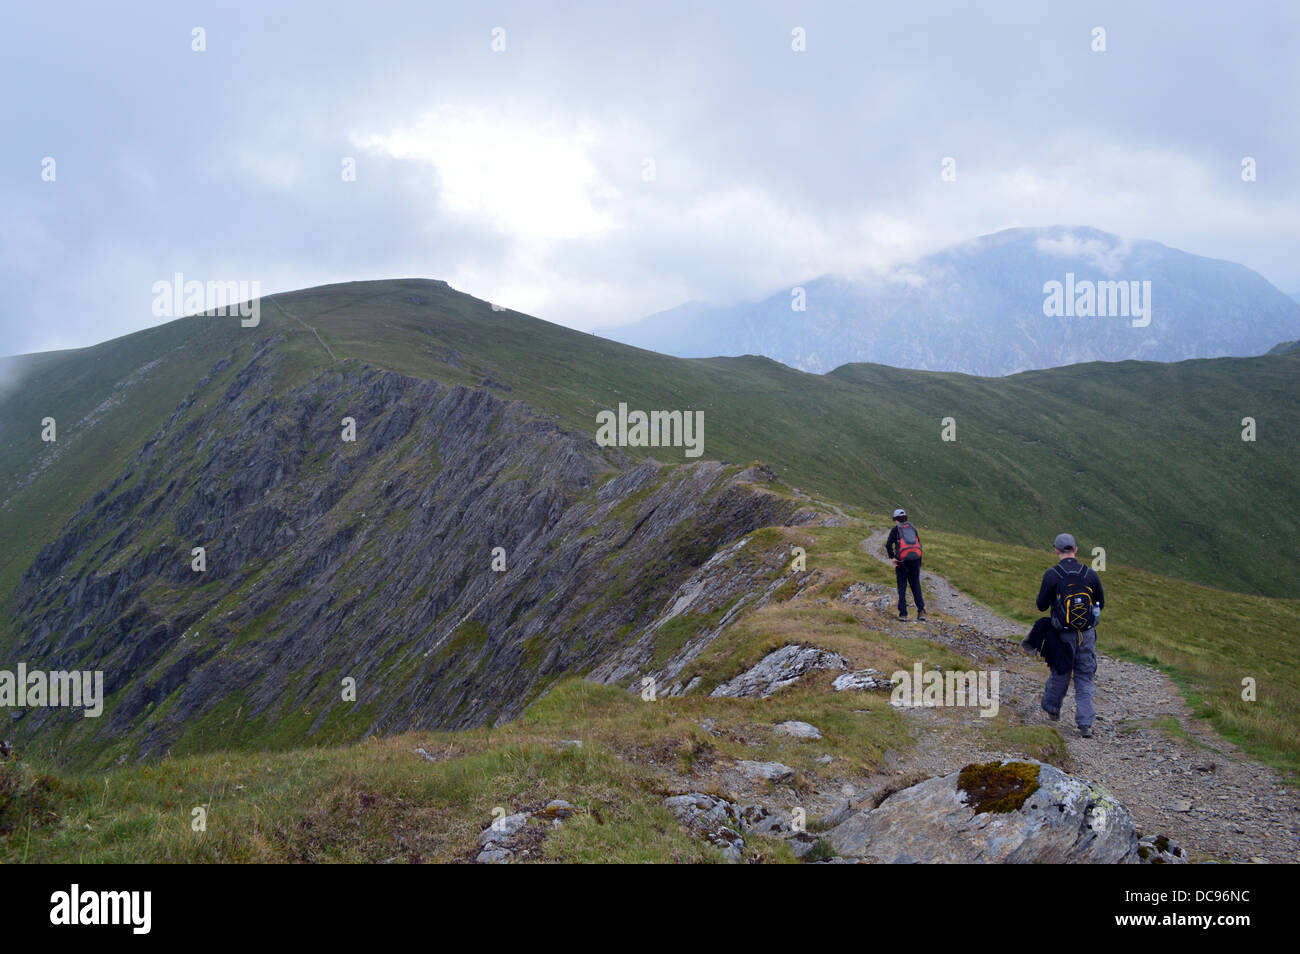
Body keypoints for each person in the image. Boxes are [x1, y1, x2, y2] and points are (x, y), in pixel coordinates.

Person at [1035, 532, 1105, 737]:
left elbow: (1041, 606)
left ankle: (1052, 709)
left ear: (1056, 550)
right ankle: (1085, 724)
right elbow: (1100, 602)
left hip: (1062, 634)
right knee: (1085, 677)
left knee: (1061, 670)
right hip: (1087, 634)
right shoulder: (1090, 574)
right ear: (1075, 550)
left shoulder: (1052, 575)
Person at [885, 509, 926, 621]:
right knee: (916, 585)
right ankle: (921, 611)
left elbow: (888, 545)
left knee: (902, 586)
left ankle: (903, 614)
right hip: (915, 560)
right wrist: (918, 562)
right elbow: (919, 545)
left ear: (896, 519)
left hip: (902, 561)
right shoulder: (912, 528)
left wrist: (893, 557)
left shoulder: (896, 529)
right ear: (906, 518)